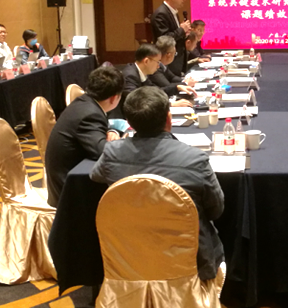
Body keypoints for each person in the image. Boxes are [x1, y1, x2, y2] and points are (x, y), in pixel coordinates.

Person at [90, 86, 225, 282]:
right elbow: (216, 210)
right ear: (169, 119)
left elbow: (95, 176)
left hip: (127, 255)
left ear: (129, 123)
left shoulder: (112, 152)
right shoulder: (195, 159)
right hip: (189, 260)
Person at [45, 65, 124, 207]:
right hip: (68, 191)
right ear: (114, 98)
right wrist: (123, 142)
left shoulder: (85, 102)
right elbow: (103, 152)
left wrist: (112, 131)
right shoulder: (90, 115)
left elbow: (97, 132)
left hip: (68, 176)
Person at [121, 44, 194, 105]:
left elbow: (155, 91)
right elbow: (136, 102)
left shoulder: (142, 72)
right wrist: (171, 104)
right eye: (158, 62)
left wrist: (177, 88)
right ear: (146, 61)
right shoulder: (130, 76)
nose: (158, 66)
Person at [151, 0, 192, 77]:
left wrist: (184, 33)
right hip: (168, 61)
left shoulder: (173, 12)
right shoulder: (161, 13)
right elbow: (164, 39)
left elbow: (174, 34)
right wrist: (181, 30)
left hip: (177, 59)